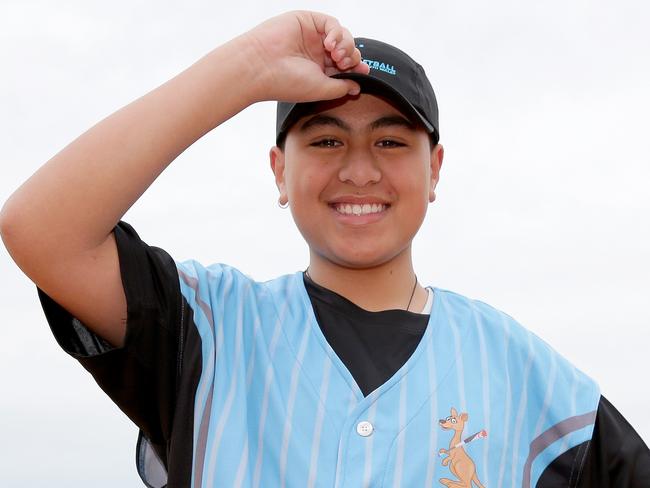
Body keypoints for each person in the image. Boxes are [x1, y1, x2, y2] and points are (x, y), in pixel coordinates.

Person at [1, 10, 648, 488]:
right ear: (279, 171)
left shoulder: (533, 381)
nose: (360, 171)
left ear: (436, 168)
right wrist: (249, 67)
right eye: (327, 140)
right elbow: (41, 229)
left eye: (391, 142)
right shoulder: (212, 330)